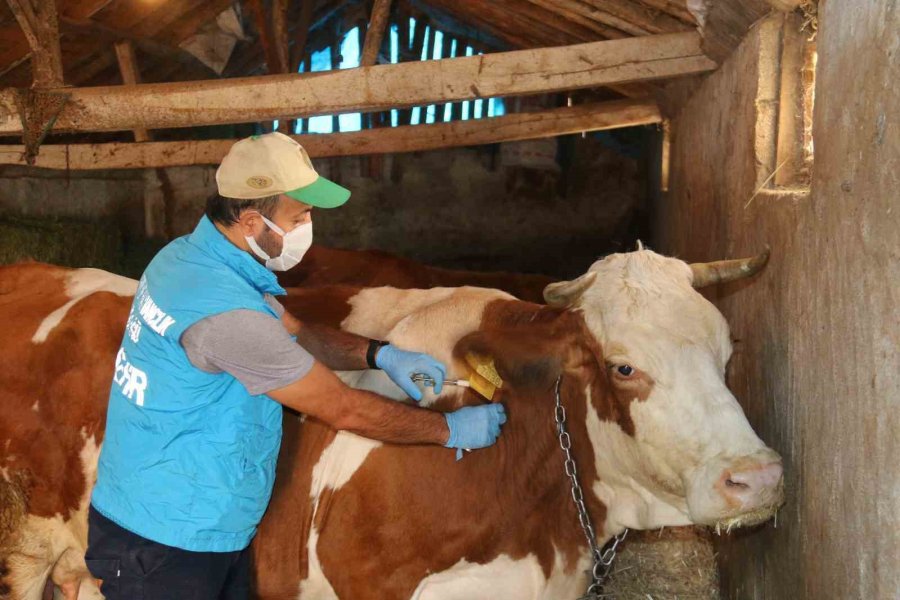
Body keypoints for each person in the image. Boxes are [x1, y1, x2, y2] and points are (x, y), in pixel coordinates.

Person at [85, 132, 507, 599]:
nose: (309, 227)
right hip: (166, 540)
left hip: (182, 510)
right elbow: (343, 409)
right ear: (250, 221)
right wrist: (449, 430)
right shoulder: (227, 315)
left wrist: (379, 354)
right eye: (299, 216)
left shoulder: (188, 258)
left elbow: (291, 328)